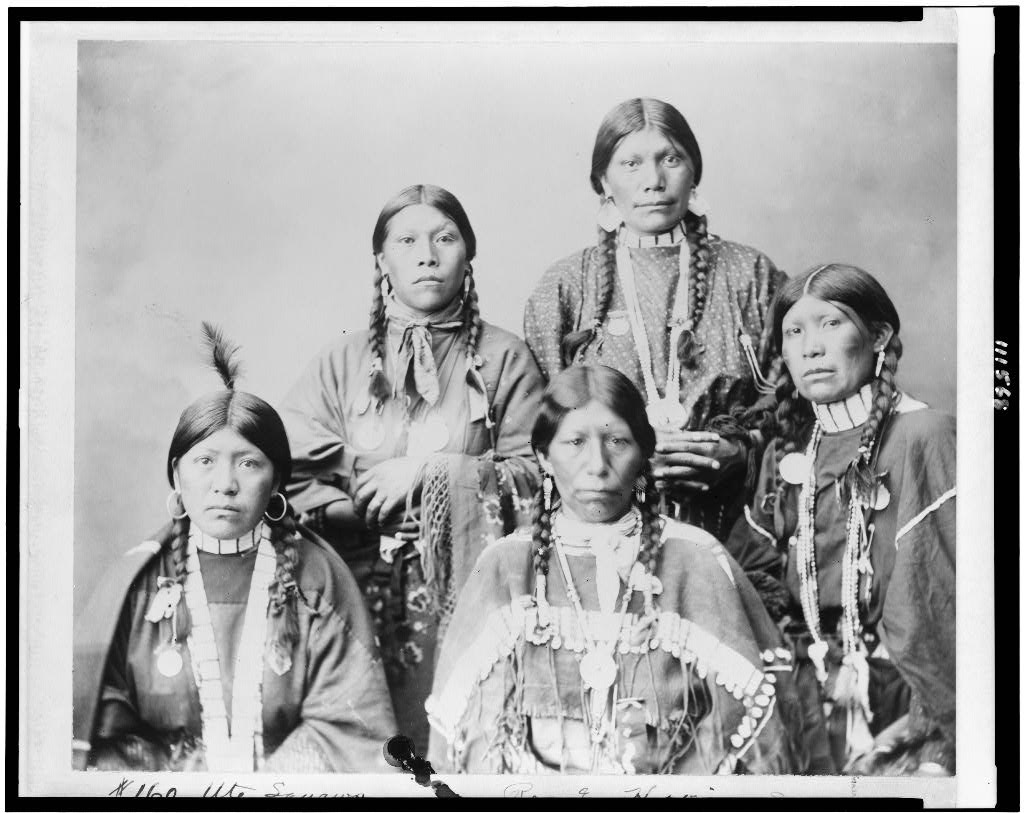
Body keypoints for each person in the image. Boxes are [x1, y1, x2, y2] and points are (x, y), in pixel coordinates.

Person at [426, 365, 803, 775]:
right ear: (544, 457)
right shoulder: (507, 566)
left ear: (644, 454)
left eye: (617, 442)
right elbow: (469, 741)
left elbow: (754, 726)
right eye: (575, 442)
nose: (597, 465)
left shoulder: (695, 559)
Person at [280, 184, 544, 755]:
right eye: (407, 242)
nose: (427, 256)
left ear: (469, 254)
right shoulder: (342, 361)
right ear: (382, 260)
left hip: (465, 599)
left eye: (444, 238)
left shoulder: (505, 359)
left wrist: (430, 474)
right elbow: (285, 470)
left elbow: (539, 477)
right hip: (351, 597)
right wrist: (357, 506)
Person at [72, 324, 397, 772]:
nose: (224, 484)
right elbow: (107, 735)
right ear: (177, 475)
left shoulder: (317, 579)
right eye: (205, 461)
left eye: (248, 463)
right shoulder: (138, 586)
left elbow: (347, 726)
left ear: (277, 480)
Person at [724, 264, 956, 775]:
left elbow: (938, 607)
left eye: (831, 323)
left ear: (879, 336)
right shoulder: (785, 453)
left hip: (907, 701)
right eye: (795, 332)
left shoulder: (925, 436)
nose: (812, 347)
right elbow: (749, 582)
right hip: (803, 704)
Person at [524, 97, 787, 542]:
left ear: (694, 172)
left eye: (671, 159)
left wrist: (741, 451)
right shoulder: (565, 286)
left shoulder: (750, 274)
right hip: (602, 530)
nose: (653, 181)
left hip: (738, 526)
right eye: (631, 164)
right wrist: (620, 452)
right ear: (603, 182)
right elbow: (539, 428)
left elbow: (794, 403)